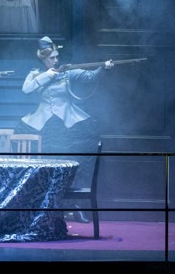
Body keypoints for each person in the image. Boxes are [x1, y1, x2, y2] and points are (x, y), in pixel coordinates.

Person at [19, 37, 113, 215]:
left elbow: (90, 76)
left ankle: (73, 205)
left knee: (72, 164)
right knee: (46, 166)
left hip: (68, 124)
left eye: (57, 57)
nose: (56, 60)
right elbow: (26, 89)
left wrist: (104, 68)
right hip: (44, 126)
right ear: (43, 59)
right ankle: (47, 206)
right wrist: (46, 76)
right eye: (51, 58)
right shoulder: (35, 74)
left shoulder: (67, 72)